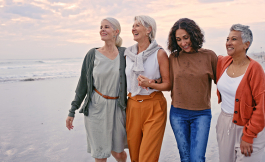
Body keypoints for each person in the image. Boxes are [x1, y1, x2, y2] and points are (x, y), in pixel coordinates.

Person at [65, 17, 127, 162]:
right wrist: (72, 110)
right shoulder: (92, 54)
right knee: (100, 154)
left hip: (118, 108)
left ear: (116, 31)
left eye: (106, 27)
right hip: (96, 108)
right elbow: (82, 86)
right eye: (101, 27)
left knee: (118, 153)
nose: (102, 30)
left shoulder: (125, 54)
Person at [216, 24, 265, 162]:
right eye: (227, 39)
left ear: (246, 44)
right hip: (225, 124)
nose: (228, 42)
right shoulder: (223, 62)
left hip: (248, 126)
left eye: (233, 39)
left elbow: (262, 107)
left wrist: (248, 135)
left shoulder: (255, 69)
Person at [167, 18, 218, 162]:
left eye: (185, 38)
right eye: (178, 39)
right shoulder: (173, 57)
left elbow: (222, 83)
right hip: (177, 114)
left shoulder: (209, 56)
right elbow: (166, 82)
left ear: (194, 35)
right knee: (185, 158)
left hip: (201, 114)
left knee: (197, 158)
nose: (183, 43)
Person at [124, 15, 171, 162]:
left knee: (147, 157)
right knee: (135, 157)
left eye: (137, 25)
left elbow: (168, 84)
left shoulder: (160, 53)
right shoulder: (127, 54)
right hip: (132, 105)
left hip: (154, 106)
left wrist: (150, 84)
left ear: (148, 29)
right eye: (133, 25)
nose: (133, 28)